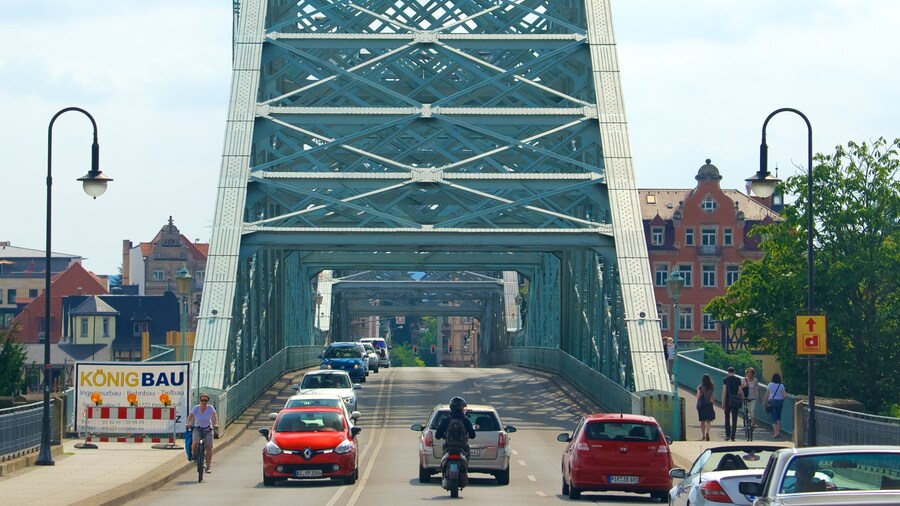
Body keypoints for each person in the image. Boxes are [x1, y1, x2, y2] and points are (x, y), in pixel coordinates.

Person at [187, 393, 219, 473]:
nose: (204, 402)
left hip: (208, 429)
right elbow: (190, 417)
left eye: (206, 400)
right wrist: (188, 423)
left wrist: (216, 424)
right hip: (197, 429)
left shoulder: (210, 408)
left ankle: (208, 466)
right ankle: (194, 455)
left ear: (208, 401)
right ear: (200, 401)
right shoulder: (196, 408)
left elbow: (214, 416)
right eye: (202, 400)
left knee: (209, 446)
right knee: (195, 443)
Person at [722, 367, 744, 441]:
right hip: (735, 400)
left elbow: (724, 391)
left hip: (728, 400)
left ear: (728, 372)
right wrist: (742, 398)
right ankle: (733, 436)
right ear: (734, 372)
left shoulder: (725, 380)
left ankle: (727, 435)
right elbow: (740, 391)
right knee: (734, 418)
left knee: (727, 417)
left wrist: (723, 402)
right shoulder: (738, 379)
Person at [764, 373, 787, 437]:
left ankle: (775, 433)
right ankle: (778, 432)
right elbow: (785, 395)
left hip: (772, 401)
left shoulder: (770, 385)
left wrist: (765, 402)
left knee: (774, 417)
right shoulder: (781, 385)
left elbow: (767, 394)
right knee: (778, 417)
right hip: (780, 402)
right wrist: (782, 400)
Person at [696, 374, 715, 441]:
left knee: (702, 421)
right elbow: (713, 397)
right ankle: (707, 432)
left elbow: (698, 397)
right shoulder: (711, 387)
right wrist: (712, 403)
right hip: (709, 404)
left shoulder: (700, 387)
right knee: (708, 420)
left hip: (702, 405)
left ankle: (703, 435)